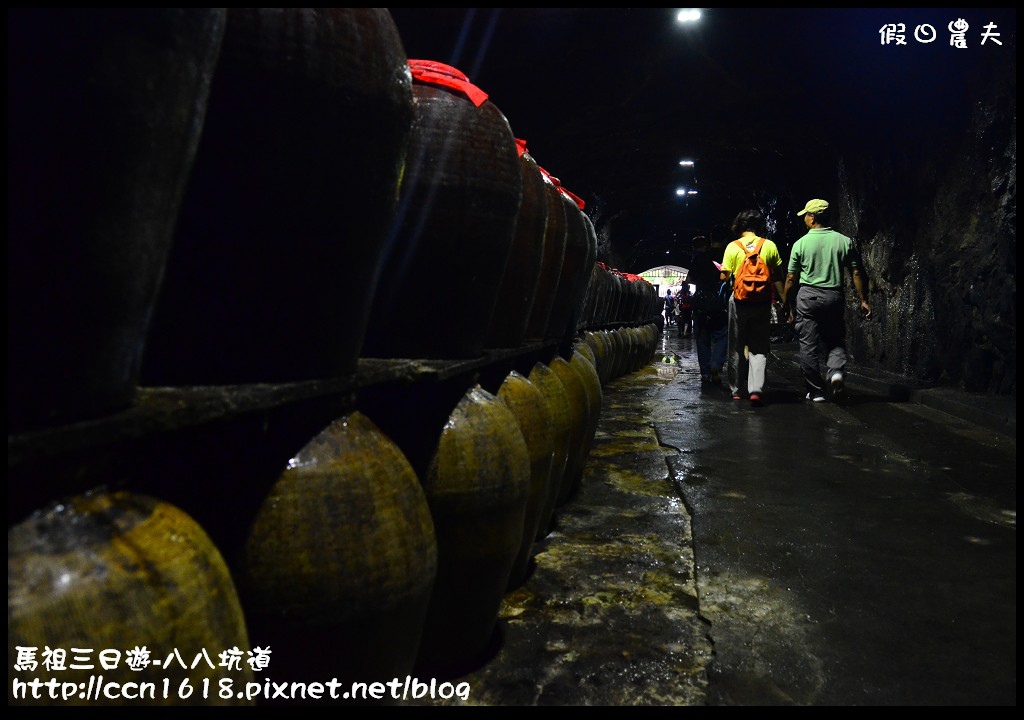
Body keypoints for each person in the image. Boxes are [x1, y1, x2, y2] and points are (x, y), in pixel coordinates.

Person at [783, 198, 872, 403]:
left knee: (808, 345)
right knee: (835, 339)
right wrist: (863, 299)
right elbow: (856, 272)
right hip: (833, 296)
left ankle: (816, 392)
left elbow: (790, 278)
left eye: (806, 215)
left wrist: (786, 303)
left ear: (812, 217)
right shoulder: (844, 241)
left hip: (807, 297)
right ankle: (836, 373)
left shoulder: (800, 244)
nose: (804, 218)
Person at [720, 209, 785, 406]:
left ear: (739, 225)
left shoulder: (733, 247)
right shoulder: (769, 245)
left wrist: (729, 278)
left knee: (736, 346)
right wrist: (784, 300)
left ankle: (737, 390)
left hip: (739, 301)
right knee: (759, 346)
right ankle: (756, 389)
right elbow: (778, 276)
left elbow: (724, 276)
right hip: (762, 302)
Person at [691, 259, 729, 384]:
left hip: (701, 309)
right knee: (721, 337)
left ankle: (705, 373)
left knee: (702, 341)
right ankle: (716, 364)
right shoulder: (719, 268)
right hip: (717, 308)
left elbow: (688, 280)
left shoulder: (696, 265)